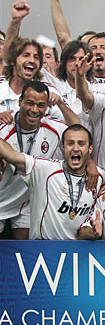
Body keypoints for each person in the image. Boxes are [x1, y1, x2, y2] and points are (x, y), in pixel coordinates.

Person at [0, 81, 81, 239]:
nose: (35, 110)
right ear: (20, 101)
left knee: (23, 249)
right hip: (3, 197)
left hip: (27, 201)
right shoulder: (5, 128)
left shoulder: (53, 129)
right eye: (30, 103)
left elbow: (79, 130)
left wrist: (61, 104)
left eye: (41, 105)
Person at [0, 124, 105, 240]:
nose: (75, 148)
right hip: (44, 247)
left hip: (76, 249)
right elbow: (12, 155)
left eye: (81, 144)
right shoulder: (44, 169)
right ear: (63, 147)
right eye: (70, 143)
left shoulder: (98, 175)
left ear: (90, 149)